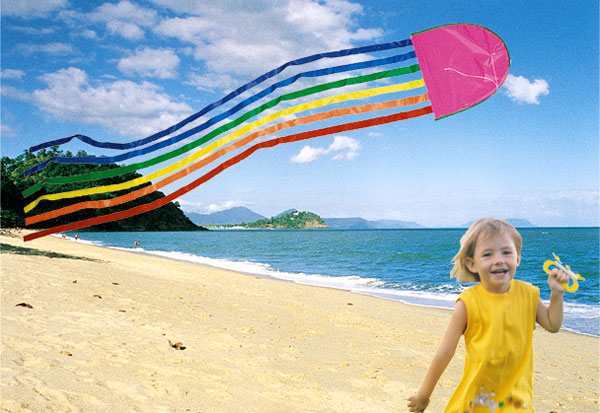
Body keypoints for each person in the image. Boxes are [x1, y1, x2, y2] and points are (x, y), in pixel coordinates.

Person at [407, 217, 569, 412]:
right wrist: (423, 396)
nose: (499, 259)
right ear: (472, 263)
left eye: (506, 252)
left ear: (517, 257)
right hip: (476, 404)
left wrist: (557, 294)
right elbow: (444, 353)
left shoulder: (529, 294)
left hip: (516, 404)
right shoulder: (468, 303)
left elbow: (553, 324)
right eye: (487, 254)